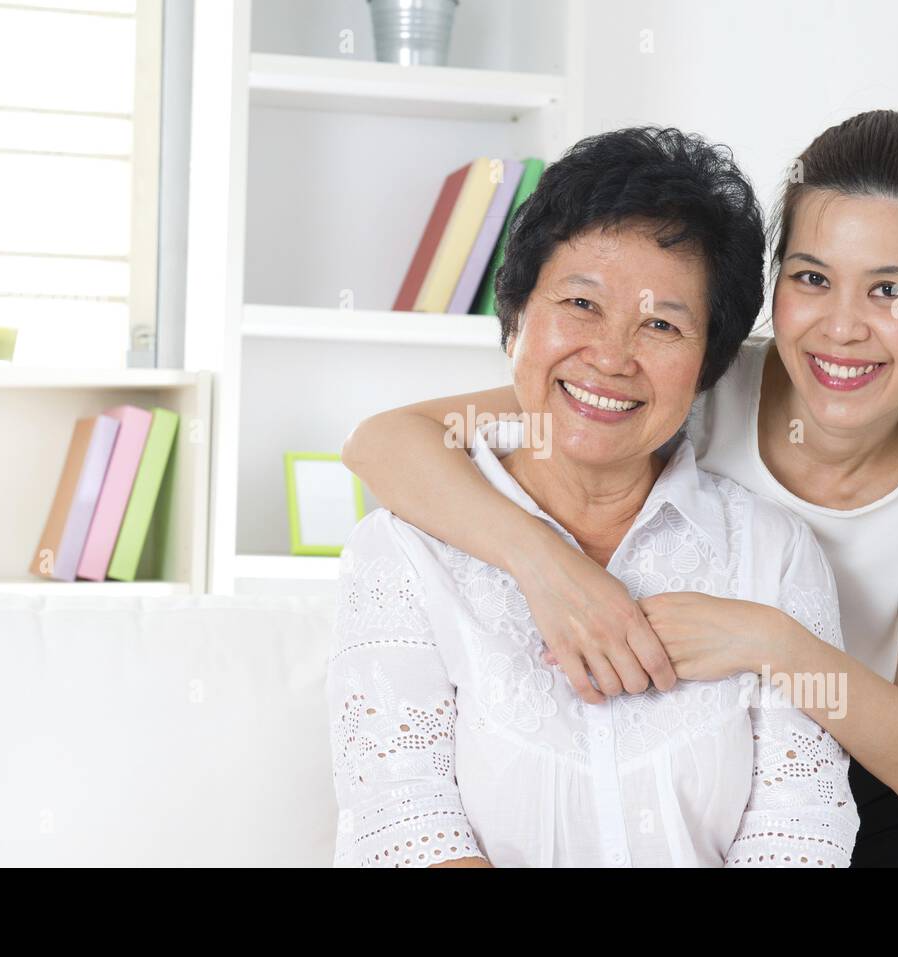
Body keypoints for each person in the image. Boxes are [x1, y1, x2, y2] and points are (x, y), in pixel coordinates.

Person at [341, 111, 898, 866]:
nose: (842, 326)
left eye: (890, 290)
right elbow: (386, 442)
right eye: (813, 278)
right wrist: (550, 568)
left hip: (887, 798)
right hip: (736, 766)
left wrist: (766, 638)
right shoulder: (692, 382)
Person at [327, 128, 858, 867]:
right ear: (514, 319)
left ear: (708, 366)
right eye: (581, 303)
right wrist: (541, 560)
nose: (611, 357)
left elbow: (801, 831)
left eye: (663, 325)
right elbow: (405, 824)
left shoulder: (772, 553)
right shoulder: (402, 550)